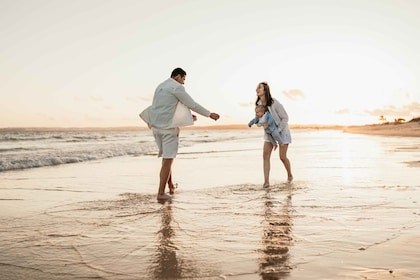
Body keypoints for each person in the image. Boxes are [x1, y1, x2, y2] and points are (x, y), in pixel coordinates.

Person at [149, 68, 220, 201]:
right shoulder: (177, 87)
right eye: (183, 79)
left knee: (166, 159)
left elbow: (165, 107)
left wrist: (186, 116)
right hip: (169, 129)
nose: (183, 83)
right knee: (168, 160)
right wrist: (209, 114)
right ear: (177, 76)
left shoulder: (161, 86)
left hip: (155, 128)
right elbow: (191, 104)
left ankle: (170, 186)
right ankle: (160, 193)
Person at [254, 82, 293, 187]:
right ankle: (266, 182)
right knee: (265, 156)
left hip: (282, 131)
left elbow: (285, 117)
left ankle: (290, 175)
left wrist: (279, 130)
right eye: (257, 87)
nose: (257, 89)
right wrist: (257, 122)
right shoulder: (258, 105)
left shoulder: (274, 102)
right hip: (269, 133)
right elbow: (259, 119)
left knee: (282, 157)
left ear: (265, 90)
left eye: (260, 88)